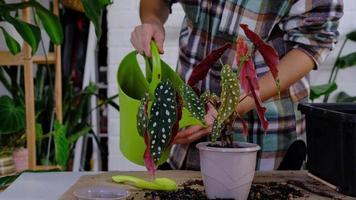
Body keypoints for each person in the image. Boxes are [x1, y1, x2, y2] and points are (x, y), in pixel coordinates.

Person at [130, 0, 343, 170]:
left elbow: (314, 42)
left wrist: (234, 104)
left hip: (263, 144)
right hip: (187, 133)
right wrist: (152, 21)